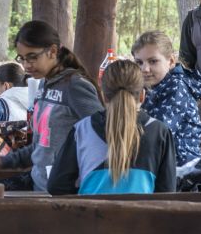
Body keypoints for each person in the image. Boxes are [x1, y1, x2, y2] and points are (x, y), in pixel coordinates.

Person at [0, 20, 103, 191]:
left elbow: (101, 134)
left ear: (52, 51)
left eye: (32, 57)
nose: (26, 65)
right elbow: (41, 146)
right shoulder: (43, 85)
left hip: (66, 193)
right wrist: (5, 161)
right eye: (22, 58)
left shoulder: (75, 86)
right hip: (39, 185)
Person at [49, 60, 176, 195]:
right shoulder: (160, 132)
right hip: (142, 215)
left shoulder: (82, 130)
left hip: (90, 214)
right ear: (142, 96)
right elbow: (167, 191)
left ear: (103, 96)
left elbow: (57, 186)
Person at [132, 30, 201, 167]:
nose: (145, 69)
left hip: (181, 165)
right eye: (139, 62)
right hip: (154, 161)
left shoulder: (177, 87)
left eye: (153, 61)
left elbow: (159, 133)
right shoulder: (146, 87)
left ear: (171, 61)